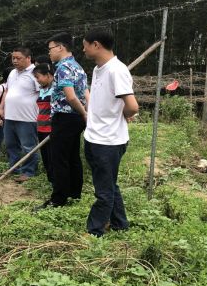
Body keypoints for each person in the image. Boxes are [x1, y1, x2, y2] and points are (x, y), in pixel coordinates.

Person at [82, 27, 138, 237]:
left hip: (109, 141)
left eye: (85, 45)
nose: (84, 50)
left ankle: (94, 231)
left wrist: (121, 115)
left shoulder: (117, 70)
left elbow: (132, 106)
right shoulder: (99, 68)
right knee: (108, 185)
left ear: (96, 45)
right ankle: (120, 223)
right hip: (95, 137)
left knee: (104, 192)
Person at [37, 33, 89, 209]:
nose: (49, 53)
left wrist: (84, 113)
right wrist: (85, 112)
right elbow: (85, 93)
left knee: (58, 158)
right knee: (73, 156)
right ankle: (74, 193)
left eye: (50, 49)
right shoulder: (78, 67)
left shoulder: (63, 68)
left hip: (65, 116)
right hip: (75, 119)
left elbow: (71, 96)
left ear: (60, 47)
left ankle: (58, 199)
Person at [0, 47, 40, 183]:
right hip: (10, 116)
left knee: (28, 146)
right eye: (13, 58)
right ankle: (14, 168)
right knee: (11, 144)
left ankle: (28, 172)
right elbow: (7, 91)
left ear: (28, 58)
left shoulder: (35, 73)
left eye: (18, 58)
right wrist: (1, 107)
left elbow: (43, 92)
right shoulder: (12, 73)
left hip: (27, 117)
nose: (15, 61)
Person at [32, 59, 54, 184]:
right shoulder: (42, 90)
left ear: (48, 75)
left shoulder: (56, 89)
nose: (37, 80)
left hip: (51, 129)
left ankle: (57, 182)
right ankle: (51, 181)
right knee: (45, 157)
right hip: (41, 128)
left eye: (38, 77)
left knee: (53, 157)